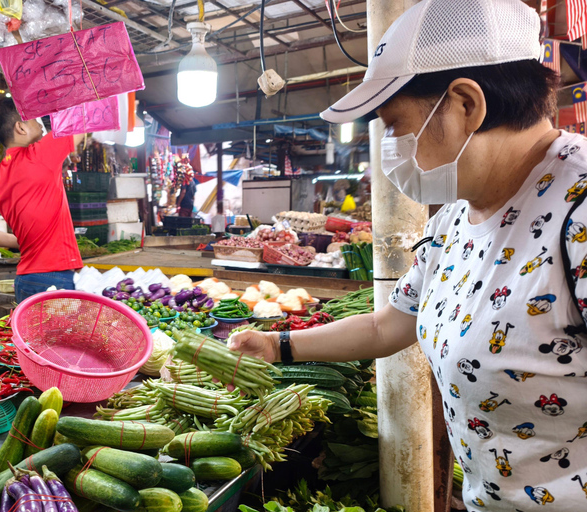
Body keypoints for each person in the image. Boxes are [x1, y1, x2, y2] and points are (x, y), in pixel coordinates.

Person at [229, 0, 587, 509]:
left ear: (466, 104)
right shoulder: (453, 221)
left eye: (395, 125)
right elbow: (388, 327)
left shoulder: (579, 212)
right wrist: (277, 345)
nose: (390, 146)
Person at [0, 98, 84, 302]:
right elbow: (80, 122)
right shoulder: (39, 154)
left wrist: (21, 241)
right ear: (21, 127)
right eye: (35, 120)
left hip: (25, 279)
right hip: (55, 277)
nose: (40, 126)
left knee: (29, 336)